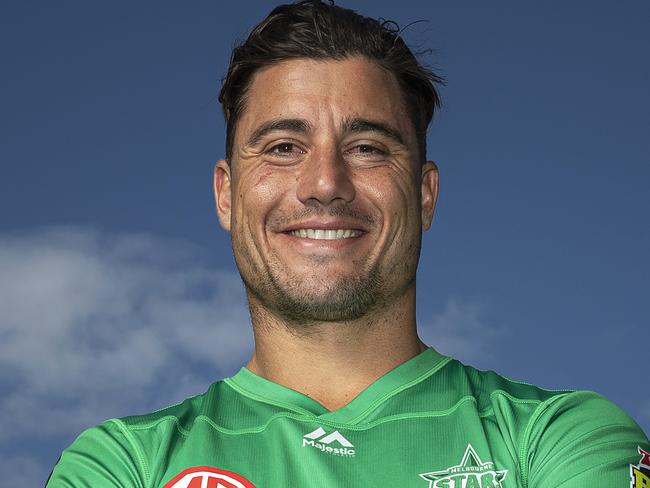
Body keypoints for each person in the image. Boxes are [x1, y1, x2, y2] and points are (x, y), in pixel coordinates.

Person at [46, 1, 649, 487]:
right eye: (283, 147)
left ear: (426, 193)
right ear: (226, 196)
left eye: (368, 148)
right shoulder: (123, 464)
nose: (325, 185)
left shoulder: (561, 438)